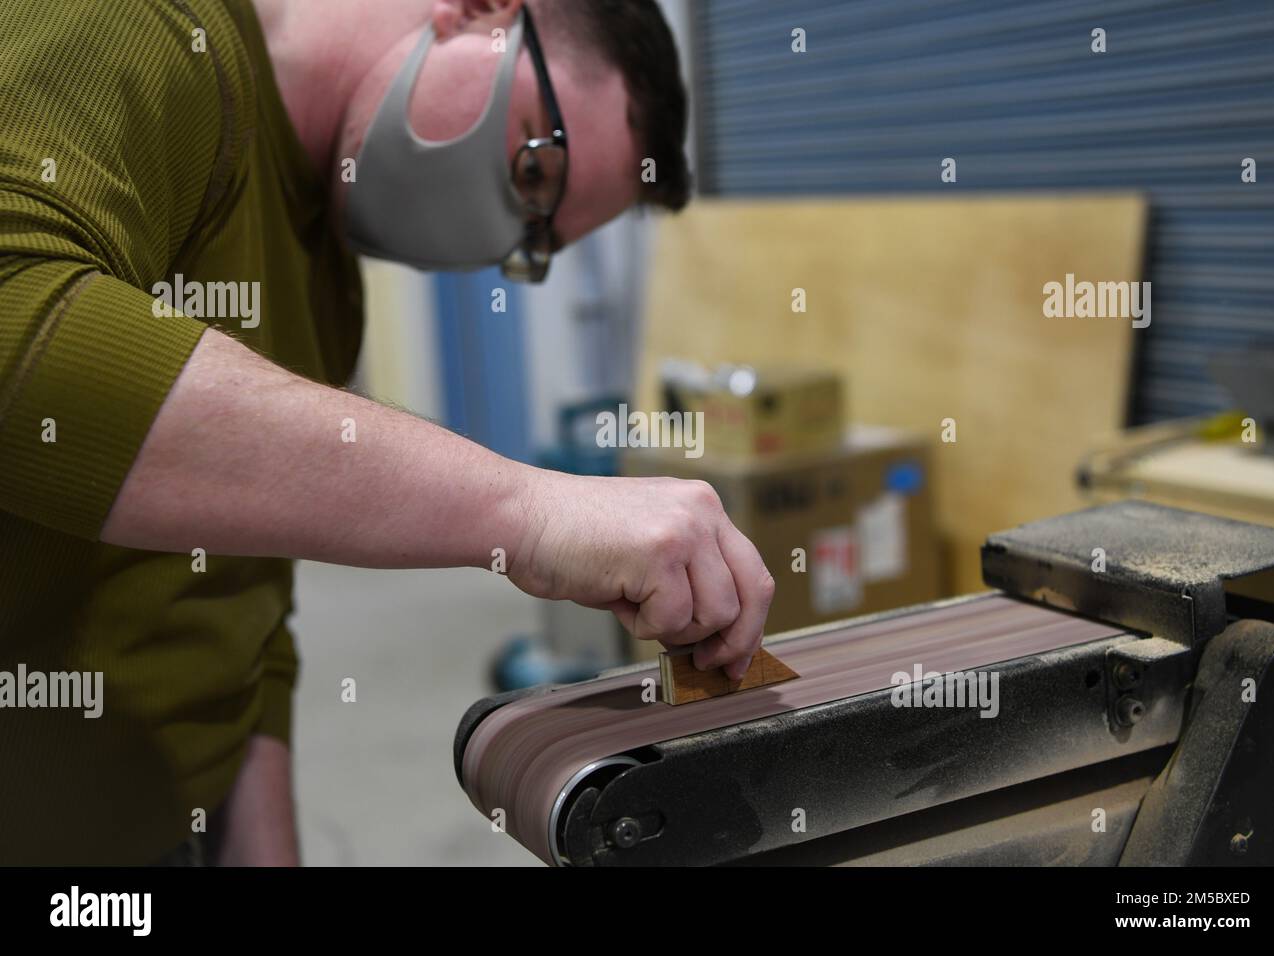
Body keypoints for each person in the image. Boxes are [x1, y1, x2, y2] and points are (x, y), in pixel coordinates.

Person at [0, 0, 775, 865]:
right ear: (476, 12)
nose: (494, 239)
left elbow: (242, 597)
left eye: (531, 243)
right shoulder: (136, 27)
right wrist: (528, 510)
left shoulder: (328, 292)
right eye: (530, 172)